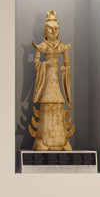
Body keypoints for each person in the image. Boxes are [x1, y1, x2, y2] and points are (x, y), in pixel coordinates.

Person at [30, 11, 73, 151]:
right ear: (45, 30)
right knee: (47, 102)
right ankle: (42, 140)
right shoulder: (42, 46)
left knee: (57, 103)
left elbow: (67, 65)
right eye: (50, 28)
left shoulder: (61, 46)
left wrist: (64, 70)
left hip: (56, 82)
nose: (53, 31)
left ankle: (62, 141)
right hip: (47, 81)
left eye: (56, 28)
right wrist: (44, 65)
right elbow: (37, 63)